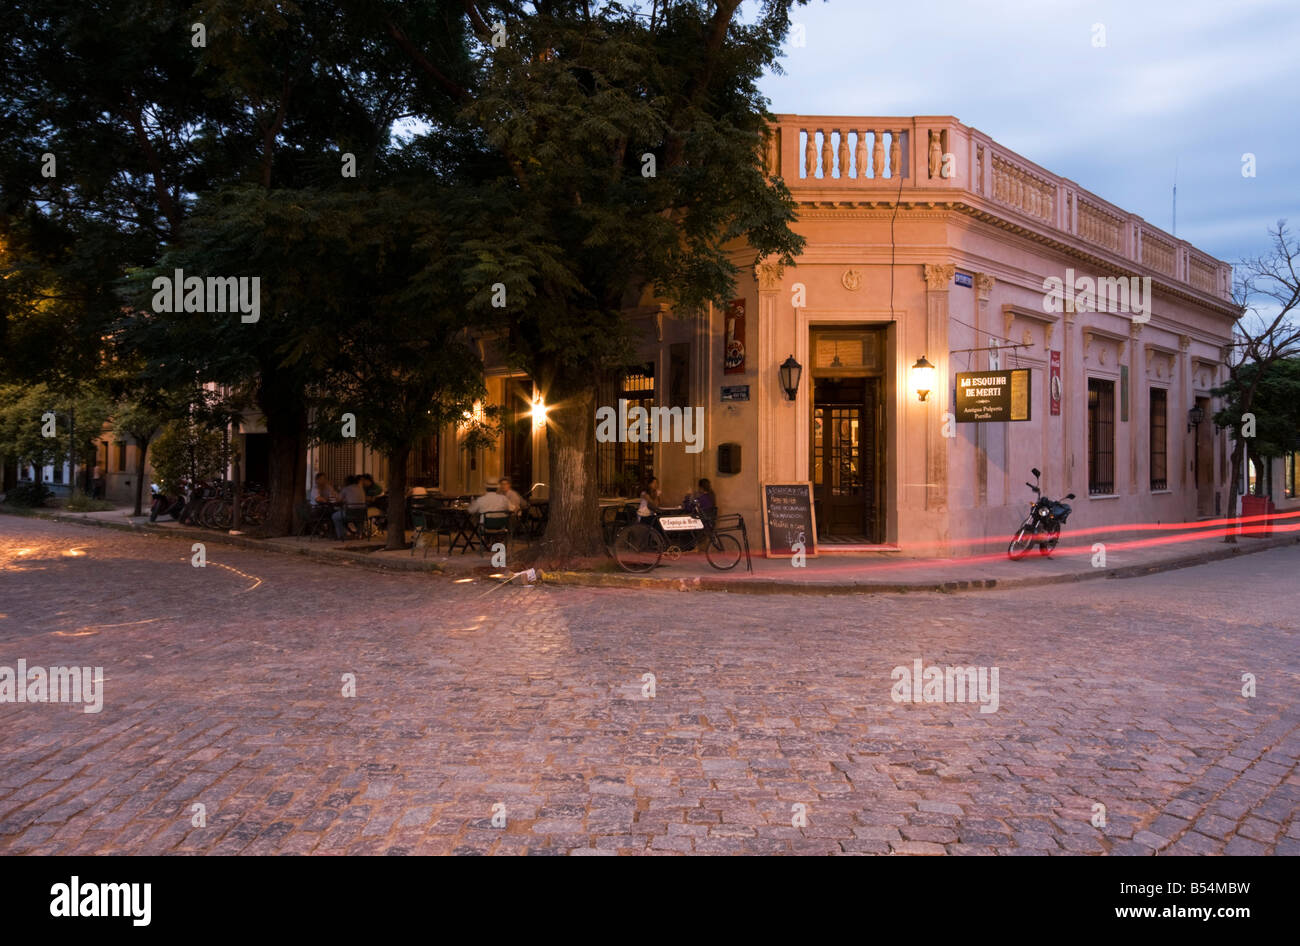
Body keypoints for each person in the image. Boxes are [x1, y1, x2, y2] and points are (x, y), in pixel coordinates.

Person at [332, 475, 368, 539]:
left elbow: (338, 500)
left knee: (334, 516)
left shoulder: (346, 489)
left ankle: (342, 534)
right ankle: (359, 533)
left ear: (347, 482)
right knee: (358, 518)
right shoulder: (361, 488)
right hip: (362, 514)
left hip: (350, 513)